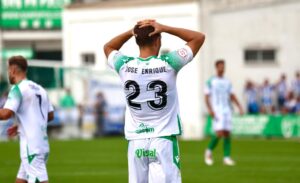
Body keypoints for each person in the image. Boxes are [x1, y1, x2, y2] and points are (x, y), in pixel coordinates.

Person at [104, 19, 205, 183]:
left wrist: (132, 32)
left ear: (137, 40)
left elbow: (108, 47)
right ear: (158, 40)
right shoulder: (169, 63)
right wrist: (165, 27)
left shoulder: (124, 65)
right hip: (163, 139)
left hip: (136, 142)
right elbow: (198, 38)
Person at [0, 56, 54, 183]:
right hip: (42, 144)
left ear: (13, 70)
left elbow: (5, 114)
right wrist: (20, 125)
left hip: (32, 147)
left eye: (8, 70)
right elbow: (50, 115)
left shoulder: (18, 89)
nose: (8, 73)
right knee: (20, 180)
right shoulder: (40, 89)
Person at [204, 60, 243, 166]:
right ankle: (208, 152)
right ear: (216, 67)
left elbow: (232, 95)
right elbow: (206, 97)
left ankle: (226, 157)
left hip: (227, 110)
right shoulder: (211, 81)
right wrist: (210, 110)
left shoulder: (227, 82)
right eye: (220, 66)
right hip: (217, 111)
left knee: (227, 133)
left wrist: (239, 106)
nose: (222, 68)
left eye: (223, 66)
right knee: (219, 133)